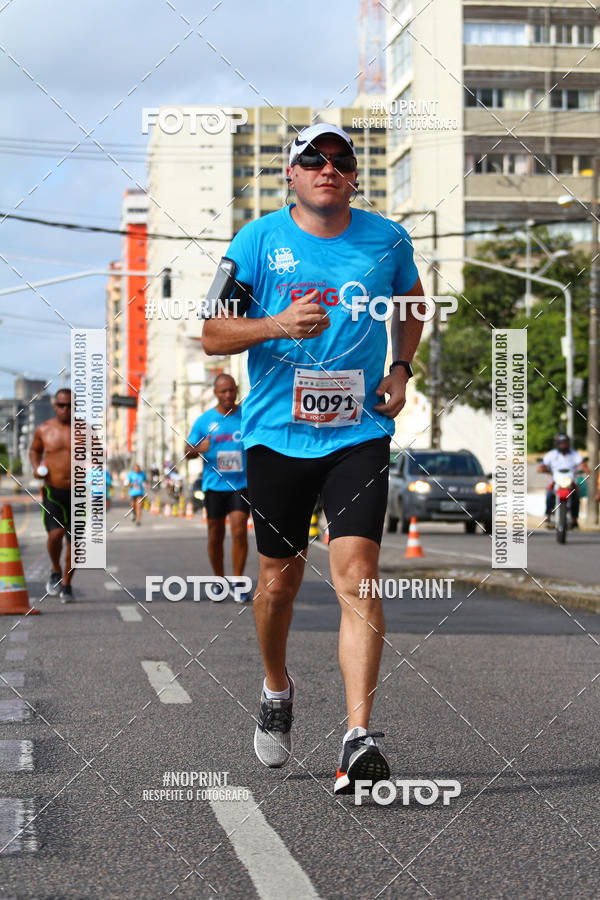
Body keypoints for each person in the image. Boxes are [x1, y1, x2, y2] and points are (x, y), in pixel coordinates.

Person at [201, 123, 425, 793]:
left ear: (354, 175)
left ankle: (358, 737)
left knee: (357, 573)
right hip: (275, 438)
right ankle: (276, 686)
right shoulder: (259, 242)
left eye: (341, 160)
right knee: (279, 584)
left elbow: (412, 304)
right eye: (313, 159)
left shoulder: (386, 240)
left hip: (358, 432)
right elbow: (213, 334)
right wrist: (275, 325)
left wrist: (402, 368)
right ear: (291, 176)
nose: (328, 167)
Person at [185, 374, 250, 602]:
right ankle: (219, 581)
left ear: (237, 390)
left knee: (240, 530)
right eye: (223, 392)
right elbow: (187, 450)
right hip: (214, 486)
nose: (228, 395)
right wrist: (197, 448)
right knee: (215, 536)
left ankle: (237, 582)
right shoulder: (205, 420)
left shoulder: (245, 416)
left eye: (232, 390)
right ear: (215, 393)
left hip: (240, 485)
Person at [29, 388, 75, 602]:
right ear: (55, 406)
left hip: (79, 493)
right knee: (55, 535)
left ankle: (66, 584)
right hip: (53, 491)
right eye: (62, 405)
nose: (66, 409)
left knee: (76, 544)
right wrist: (36, 467)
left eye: (70, 405)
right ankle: (55, 569)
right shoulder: (44, 429)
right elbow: (34, 450)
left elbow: (96, 457)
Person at [538, 432, 590, 528]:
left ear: (568, 443)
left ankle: (574, 519)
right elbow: (542, 466)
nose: (563, 445)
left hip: (570, 480)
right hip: (556, 480)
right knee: (549, 494)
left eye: (565, 443)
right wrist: (542, 468)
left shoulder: (574, 454)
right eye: (561, 443)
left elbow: (582, 464)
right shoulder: (551, 454)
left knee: (575, 496)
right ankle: (548, 516)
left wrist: (585, 469)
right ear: (557, 443)